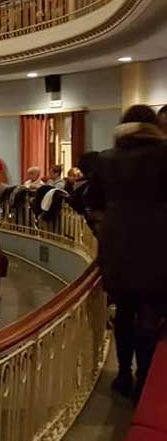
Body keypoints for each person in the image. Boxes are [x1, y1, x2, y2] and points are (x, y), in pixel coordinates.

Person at [86, 104, 167, 397]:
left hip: (118, 248)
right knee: (150, 313)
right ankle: (145, 379)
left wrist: (103, 229)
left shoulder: (107, 159)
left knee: (124, 311)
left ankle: (123, 374)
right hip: (159, 248)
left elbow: (90, 201)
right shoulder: (164, 154)